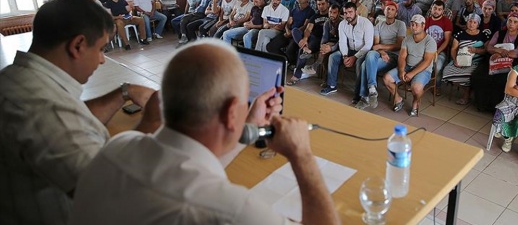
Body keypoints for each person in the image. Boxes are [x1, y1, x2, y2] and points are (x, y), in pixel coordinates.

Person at [69, 40, 339, 225]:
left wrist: (251, 126)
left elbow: (195, 163)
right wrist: (302, 155)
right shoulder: (231, 210)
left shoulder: (119, 147)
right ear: (233, 112)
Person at [0, 0, 159, 225]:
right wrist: (152, 122)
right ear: (77, 45)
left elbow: (72, 116)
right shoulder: (42, 107)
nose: (103, 60)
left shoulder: (18, 79)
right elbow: (112, 195)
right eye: (102, 49)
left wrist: (123, 92)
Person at [472, 12, 518, 112]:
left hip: (511, 63)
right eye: (509, 21)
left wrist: (504, 53)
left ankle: (495, 108)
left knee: (501, 80)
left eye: (515, 22)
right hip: (493, 60)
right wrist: (499, 51)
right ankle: (481, 104)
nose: (511, 23)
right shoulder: (499, 33)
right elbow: (490, 47)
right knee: (479, 75)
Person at [354, 1, 406, 110]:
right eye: (388, 9)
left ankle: (365, 97)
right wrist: (381, 51)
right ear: (384, 11)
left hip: (394, 56)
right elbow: (376, 45)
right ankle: (372, 88)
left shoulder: (400, 24)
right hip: (380, 54)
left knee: (364, 65)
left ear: (396, 13)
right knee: (370, 55)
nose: (389, 11)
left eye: (392, 10)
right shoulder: (378, 25)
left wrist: (381, 47)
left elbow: (399, 45)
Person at [383, 14, 437, 117]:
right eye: (412, 24)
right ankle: (398, 99)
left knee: (416, 88)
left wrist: (411, 74)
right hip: (408, 66)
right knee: (387, 79)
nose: (414, 27)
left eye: (417, 25)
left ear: (423, 26)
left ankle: (416, 102)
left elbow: (427, 61)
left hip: (423, 70)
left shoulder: (430, 41)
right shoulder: (407, 39)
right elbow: (402, 57)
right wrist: (402, 70)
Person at [320, 2, 374, 102]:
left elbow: (368, 45)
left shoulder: (366, 23)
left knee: (359, 64)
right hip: (349, 50)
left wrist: (355, 57)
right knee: (333, 57)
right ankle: (332, 86)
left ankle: (358, 93)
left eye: (350, 12)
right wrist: (345, 56)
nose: (348, 15)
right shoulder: (342, 24)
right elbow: (342, 42)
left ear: (356, 12)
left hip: (363, 51)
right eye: (345, 13)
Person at [442, 13, 488, 105]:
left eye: (474, 22)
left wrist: (476, 50)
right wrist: (455, 60)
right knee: (446, 72)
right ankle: (467, 90)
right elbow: (454, 49)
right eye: (470, 21)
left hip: (475, 62)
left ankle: (466, 95)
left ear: (478, 24)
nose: (471, 24)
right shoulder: (460, 34)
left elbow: (486, 50)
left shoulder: (483, 35)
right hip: (460, 59)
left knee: (469, 74)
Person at [287, 0, 330, 85]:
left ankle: (296, 76)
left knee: (301, 50)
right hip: (311, 38)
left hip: (321, 40)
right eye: (319, 4)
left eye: (323, 4)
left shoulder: (331, 16)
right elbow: (308, 29)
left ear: (328, 4)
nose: (321, 6)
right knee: (295, 30)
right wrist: (305, 38)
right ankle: (305, 47)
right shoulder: (315, 16)